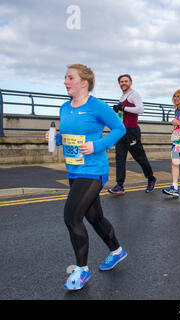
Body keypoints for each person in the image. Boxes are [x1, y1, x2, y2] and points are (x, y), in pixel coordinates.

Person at [46, 64, 127, 290]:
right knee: (95, 218)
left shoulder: (97, 107)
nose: (65, 81)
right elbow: (69, 135)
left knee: (71, 218)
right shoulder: (64, 107)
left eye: (70, 78)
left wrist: (97, 145)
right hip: (74, 170)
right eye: (65, 77)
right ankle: (117, 251)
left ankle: (82, 271)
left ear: (84, 82)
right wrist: (58, 138)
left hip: (93, 170)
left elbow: (120, 129)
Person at [108, 74, 156, 194]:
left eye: (126, 81)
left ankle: (151, 179)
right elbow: (124, 113)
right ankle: (119, 185)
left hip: (131, 132)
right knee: (120, 158)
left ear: (130, 83)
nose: (123, 83)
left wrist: (123, 108)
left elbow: (140, 109)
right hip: (121, 132)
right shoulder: (122, 96)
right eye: (121, 81)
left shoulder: (134, 94)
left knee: (139, 157)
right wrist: (117, 111)